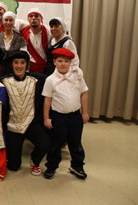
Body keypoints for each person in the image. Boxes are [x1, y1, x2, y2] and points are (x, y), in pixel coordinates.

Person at [42, 48, 89, 180]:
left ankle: (77, 165)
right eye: (60, 61)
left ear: (70, 63)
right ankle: (51, 166)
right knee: (55, 143)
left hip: (75, 116)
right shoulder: (50, 80)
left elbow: (83, 93)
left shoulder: (77, 76)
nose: (63, 64)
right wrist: (47, 118)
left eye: (66, 61)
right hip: (58, 116)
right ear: (54, 62)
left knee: (76, 142)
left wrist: (84, 113)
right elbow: (47, 100)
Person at [1, 51, 50, 175]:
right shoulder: (3, 81)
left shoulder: (38, 79)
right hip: (14, 125)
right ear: (11, 64)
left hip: (31, 123)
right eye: (16, 62)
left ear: (27, 65)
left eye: (22, 63)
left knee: (45, 143)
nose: (19, 66)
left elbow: (55, 80)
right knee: (13, 166)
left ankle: (35, 160)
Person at [0, 11, 27, 77]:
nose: (8, 22)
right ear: (3, 22)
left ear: (14, 22)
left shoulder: (20, 40)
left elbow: (24, 58)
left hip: (14, 73)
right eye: (6, 20)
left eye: (11, 20)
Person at [19, 8, 51, 73]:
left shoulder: (48, 31)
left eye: (36, 16)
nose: (33, 18)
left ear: (41, 19)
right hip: (30, 67)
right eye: (31, 16)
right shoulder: (24, 33)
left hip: (46, 67)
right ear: (28, 19)